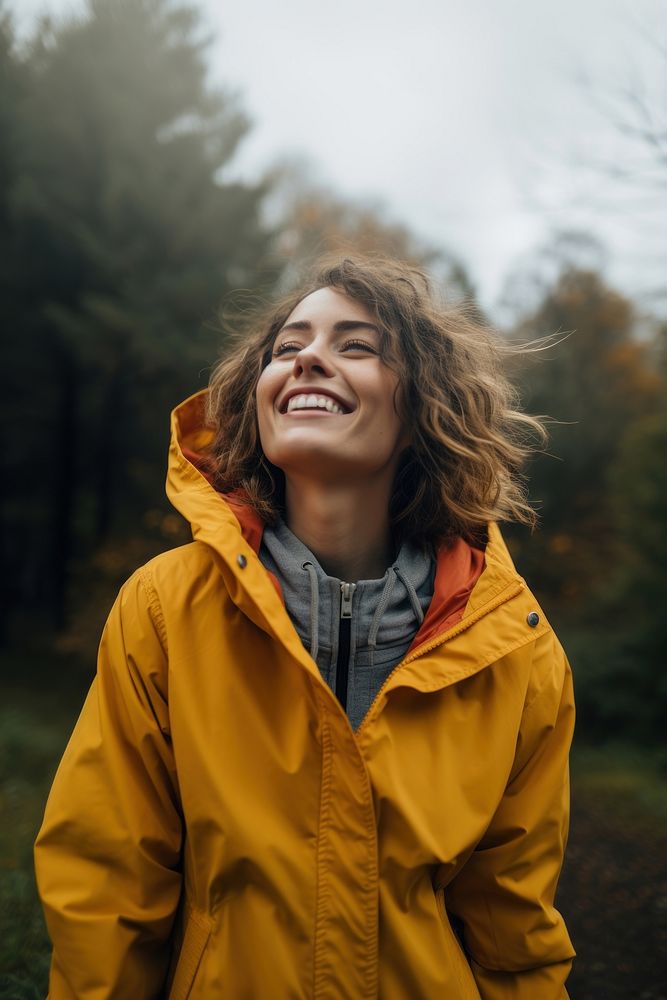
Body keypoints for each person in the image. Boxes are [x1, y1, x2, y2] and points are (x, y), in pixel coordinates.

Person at [35, 255, 576, 999]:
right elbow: (106, 890)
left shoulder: (516, 648)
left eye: (355, 345)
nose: (309, 359)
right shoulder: (163, 608)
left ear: (423, 410)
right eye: (288, 348)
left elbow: (515, 931)